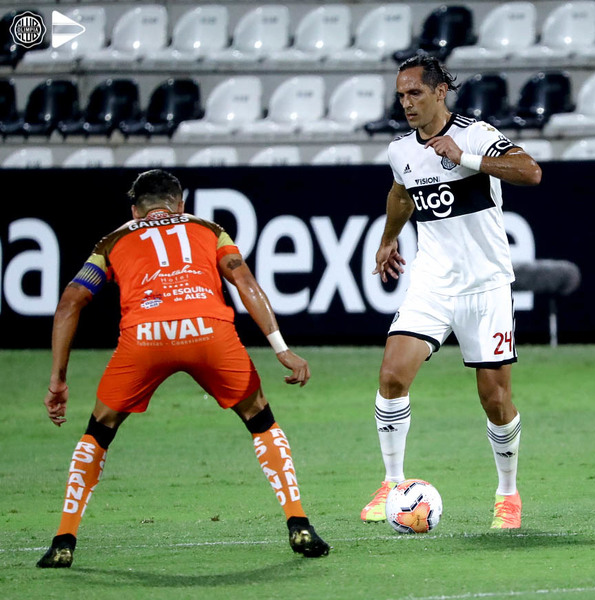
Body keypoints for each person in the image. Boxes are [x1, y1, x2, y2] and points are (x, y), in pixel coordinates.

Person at [37, 169, 329, 568]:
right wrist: (282, 349)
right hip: (208, 330)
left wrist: (58, 380)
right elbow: (243, 280)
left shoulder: (112, 240)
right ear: (181, 204)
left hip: (145, 337)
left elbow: (71, 301)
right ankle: (299, 523)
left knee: (100, 430)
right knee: (260, 418)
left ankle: (63, 540)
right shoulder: (209, 229)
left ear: (136, 209)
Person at [360, 55, 542, 529]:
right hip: (432, 284)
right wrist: (388, 239)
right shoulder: (401, 149)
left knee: (495, 399)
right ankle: (392, 483)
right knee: (392, 375)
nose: (406, 103)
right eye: (401, 96)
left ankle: (507, 494)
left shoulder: (475, 133)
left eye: (415, 93)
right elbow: (401, 193)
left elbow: (531, 171)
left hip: (486, 288)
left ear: (440, 92)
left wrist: (463, 158)